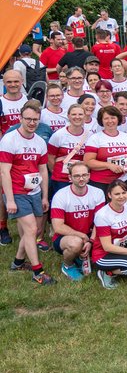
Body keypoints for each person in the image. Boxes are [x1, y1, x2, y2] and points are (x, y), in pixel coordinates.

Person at [1, 100, 54, 284]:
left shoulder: (40, 142)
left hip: (34, 191)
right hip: (16, 191)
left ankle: (17, 263)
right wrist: (9, 200)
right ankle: (38, 272)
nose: (32, 123)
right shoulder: (10, 139)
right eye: (28, 119)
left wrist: (45, 196)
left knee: (32, 231)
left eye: (35, 120)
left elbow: (43, 171)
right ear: (20, 118)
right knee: (31, 229)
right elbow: (4, 171)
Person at [49, 162, 105, 280]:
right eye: (77, 176)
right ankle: (68, 265)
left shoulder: (98, 193)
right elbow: (58, 227)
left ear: (89, 176)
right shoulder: (61, 195)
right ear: (70, 178)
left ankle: (83, 257)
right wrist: (82, 236)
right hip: (65, 237)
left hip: (90, 234)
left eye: (84, 175)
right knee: (75, 243)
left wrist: (91, 241)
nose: (81, 179)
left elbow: (100, 222)